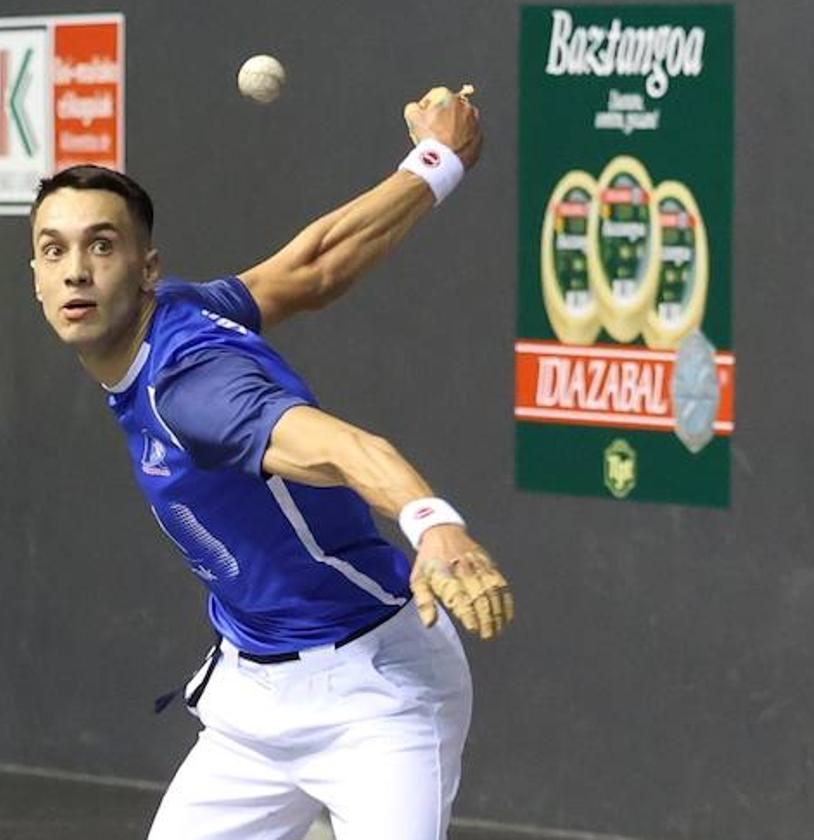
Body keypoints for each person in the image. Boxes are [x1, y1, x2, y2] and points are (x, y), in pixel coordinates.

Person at [28, 85, 513, 840]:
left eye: (101, 245)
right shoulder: (179, 312)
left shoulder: (193, 390)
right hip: (253, 701)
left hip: (374, 699)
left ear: (146, 267)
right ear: (35, 275)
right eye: (53, 250)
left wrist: (433, 524)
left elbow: (344, 450)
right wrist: (437, 161)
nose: (76, 273)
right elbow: (312, 269)